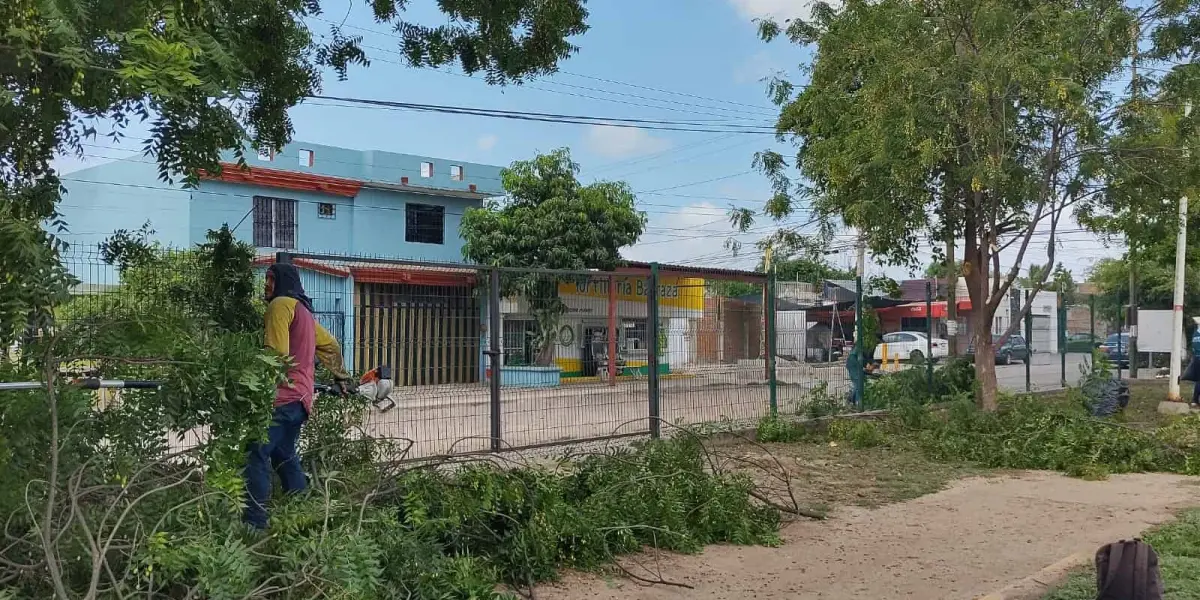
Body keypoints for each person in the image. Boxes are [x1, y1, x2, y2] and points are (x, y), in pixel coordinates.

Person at [244, 262, 352, 530]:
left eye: (270, 279)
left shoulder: (280, 305)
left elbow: (276, 356)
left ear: (281, 281)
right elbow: (331, 345)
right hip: (301, 400)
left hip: (281, 399)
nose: (266, 284)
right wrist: (341, 375)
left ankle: (254, 525)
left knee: (255, 453)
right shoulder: (303, 310)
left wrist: (255, 387)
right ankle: (306, 514)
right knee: (283, 454)